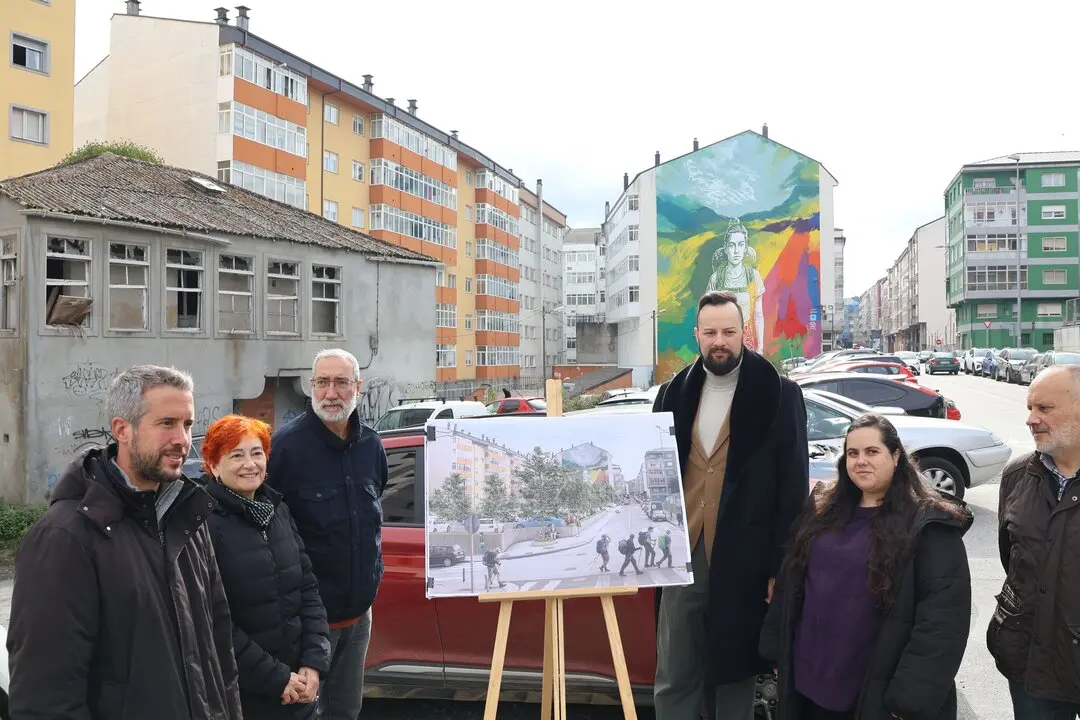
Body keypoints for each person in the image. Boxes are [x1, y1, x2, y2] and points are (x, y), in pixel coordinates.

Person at [7, 365, 242, 719]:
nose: (182, 440)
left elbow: (219, 651)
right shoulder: (65, 537)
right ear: (122, 430)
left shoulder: (188, 517)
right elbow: (46, 697)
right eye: (166, 423)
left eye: (187, 424)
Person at [652, 290, 809, 720]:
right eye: (710, 333)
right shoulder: (670, 394)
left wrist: (780, 566)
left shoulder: (780, 394)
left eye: (728, 331)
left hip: (745, 558)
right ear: (697, 335)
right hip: (680, 556)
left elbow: (793, 488)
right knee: (674, 672)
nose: (719, 341)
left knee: (734, 676)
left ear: (744, 333)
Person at [760, 414, 973, 719]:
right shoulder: (822, 508)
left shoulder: (928, 525)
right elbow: (791, 579)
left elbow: (942, 623)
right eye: (853, 453)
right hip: (808, 682)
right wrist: (775, 649)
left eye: (872, 452)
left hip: (873, 694)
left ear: (896, 456)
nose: (861, 461)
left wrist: (910, 700)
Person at [268, 349, 389, 720]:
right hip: (308, 624)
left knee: (345, 711)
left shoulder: (372, 445)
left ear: (357, 387)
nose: (331, 393)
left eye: (341, 382)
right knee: (302, 714)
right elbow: (266, 531)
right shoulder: (285, 448)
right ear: (311, 386)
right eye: (322, 382)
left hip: (359, 616)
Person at [201, 414, 332, 719]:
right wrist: (276, 678)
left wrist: (313, 662)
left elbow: (308, 590)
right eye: (236, 455)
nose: (250, 464)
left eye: (256, 453)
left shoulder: (278, 511)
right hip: (244, 697)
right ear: (213, 465)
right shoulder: (202, 524)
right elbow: (211, 621)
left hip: (299, 689)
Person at [991, 365, 1080, 717]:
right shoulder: (1018, 475)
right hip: (1032, 663)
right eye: (1030, 408)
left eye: (1044, 408)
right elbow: (1012, 559)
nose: (1031, 419)